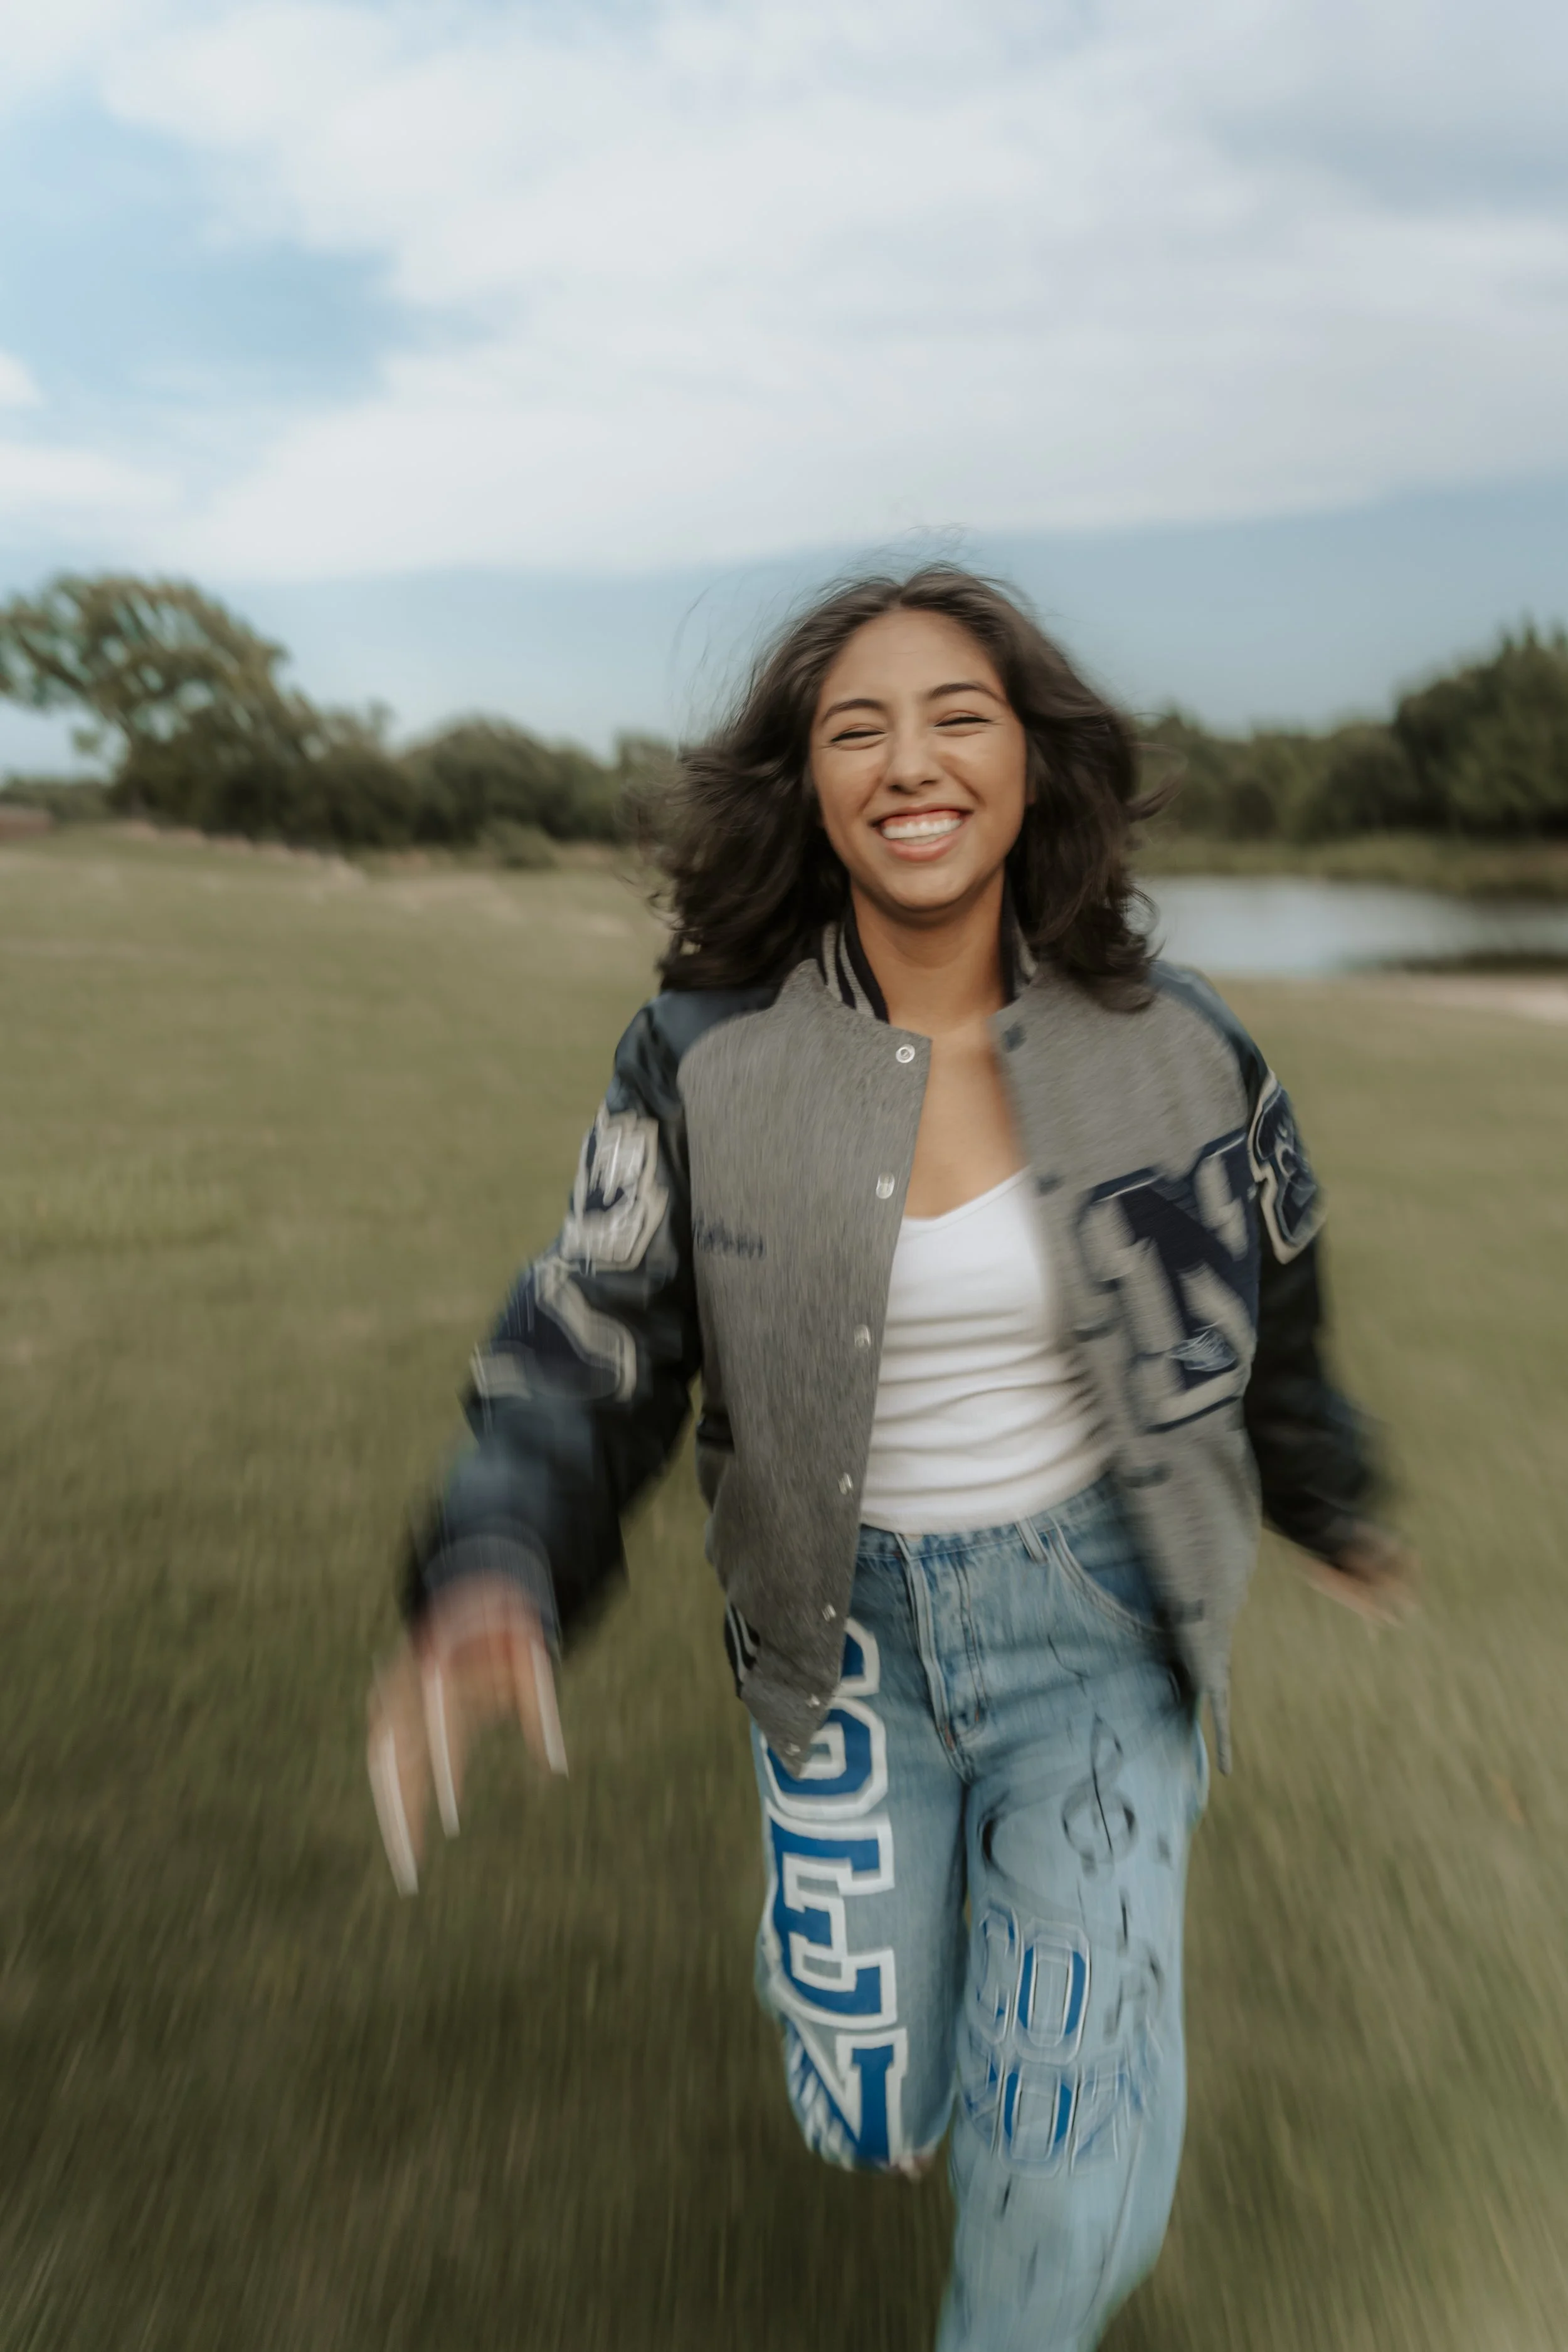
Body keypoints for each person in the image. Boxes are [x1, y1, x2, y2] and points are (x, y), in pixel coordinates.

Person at [366, 566, 1411, 2350]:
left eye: (957, 717)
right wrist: (495, 1562)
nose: (908, 760)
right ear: (809, 783)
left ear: (1028, 764)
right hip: (836, 1634)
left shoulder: (1183, 1045)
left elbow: (1270, 1296)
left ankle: (1041, 2219)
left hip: (1098, 1623)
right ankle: (921, 2059)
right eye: (858, 727)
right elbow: (585, 1340)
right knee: (871, 2098)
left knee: (1058, 2090)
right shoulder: (701, 1056)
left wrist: (1317, 1487)